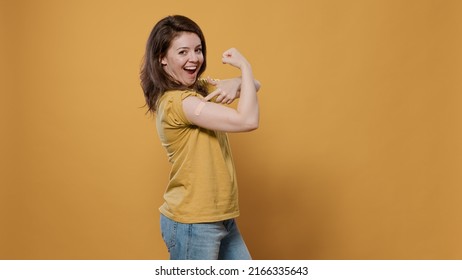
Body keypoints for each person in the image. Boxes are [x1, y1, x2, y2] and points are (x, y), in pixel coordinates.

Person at [140, 15, 260, 260]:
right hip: (193, 223)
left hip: (222, 217)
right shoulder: (180, 103)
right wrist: (244, 68)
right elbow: (247, 120)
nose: (194, 58)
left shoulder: (198, 90)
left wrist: (237, 81)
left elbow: (255, 86)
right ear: (162, 58)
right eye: (182, 52)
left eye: (198, 50)